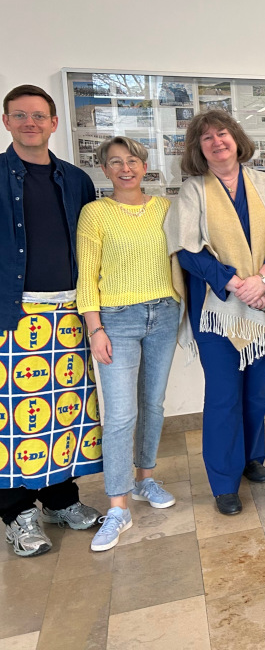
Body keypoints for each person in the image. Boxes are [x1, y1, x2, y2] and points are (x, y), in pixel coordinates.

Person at [164, 111, 265, 516]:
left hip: (264, 302)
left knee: (256, 391)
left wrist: (264, 277)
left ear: (237, 139)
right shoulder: (194, 191)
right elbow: (186, 250)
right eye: (207, 138)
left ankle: (251, 457)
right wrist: (238, 284)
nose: (217, 142)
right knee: (223, 396)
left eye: (222, 134)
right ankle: (224, 481)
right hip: (217, 310)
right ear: (198, 149)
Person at [1, 84, 101, 557]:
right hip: (12, 313)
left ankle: (61, 500)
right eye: (20, 115)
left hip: (68, 312)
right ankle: (16, 513)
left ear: (54, 122)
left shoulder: (76, 180)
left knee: (65, 413)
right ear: (6, 121)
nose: (30, 123)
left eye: (39, 115)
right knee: (10, 421)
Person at [77, 137, 181, 550]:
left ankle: (144, 479)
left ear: (144, 165)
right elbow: (87, 275)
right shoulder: (95, 213)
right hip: (116, 320)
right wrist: (95, 328)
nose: (126, 168)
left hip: (164, 313)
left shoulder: (164, 208)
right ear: (104, 169)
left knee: (153, 404)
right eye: (116, 162)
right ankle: (118, 507)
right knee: (121, 414)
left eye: (133, 160)